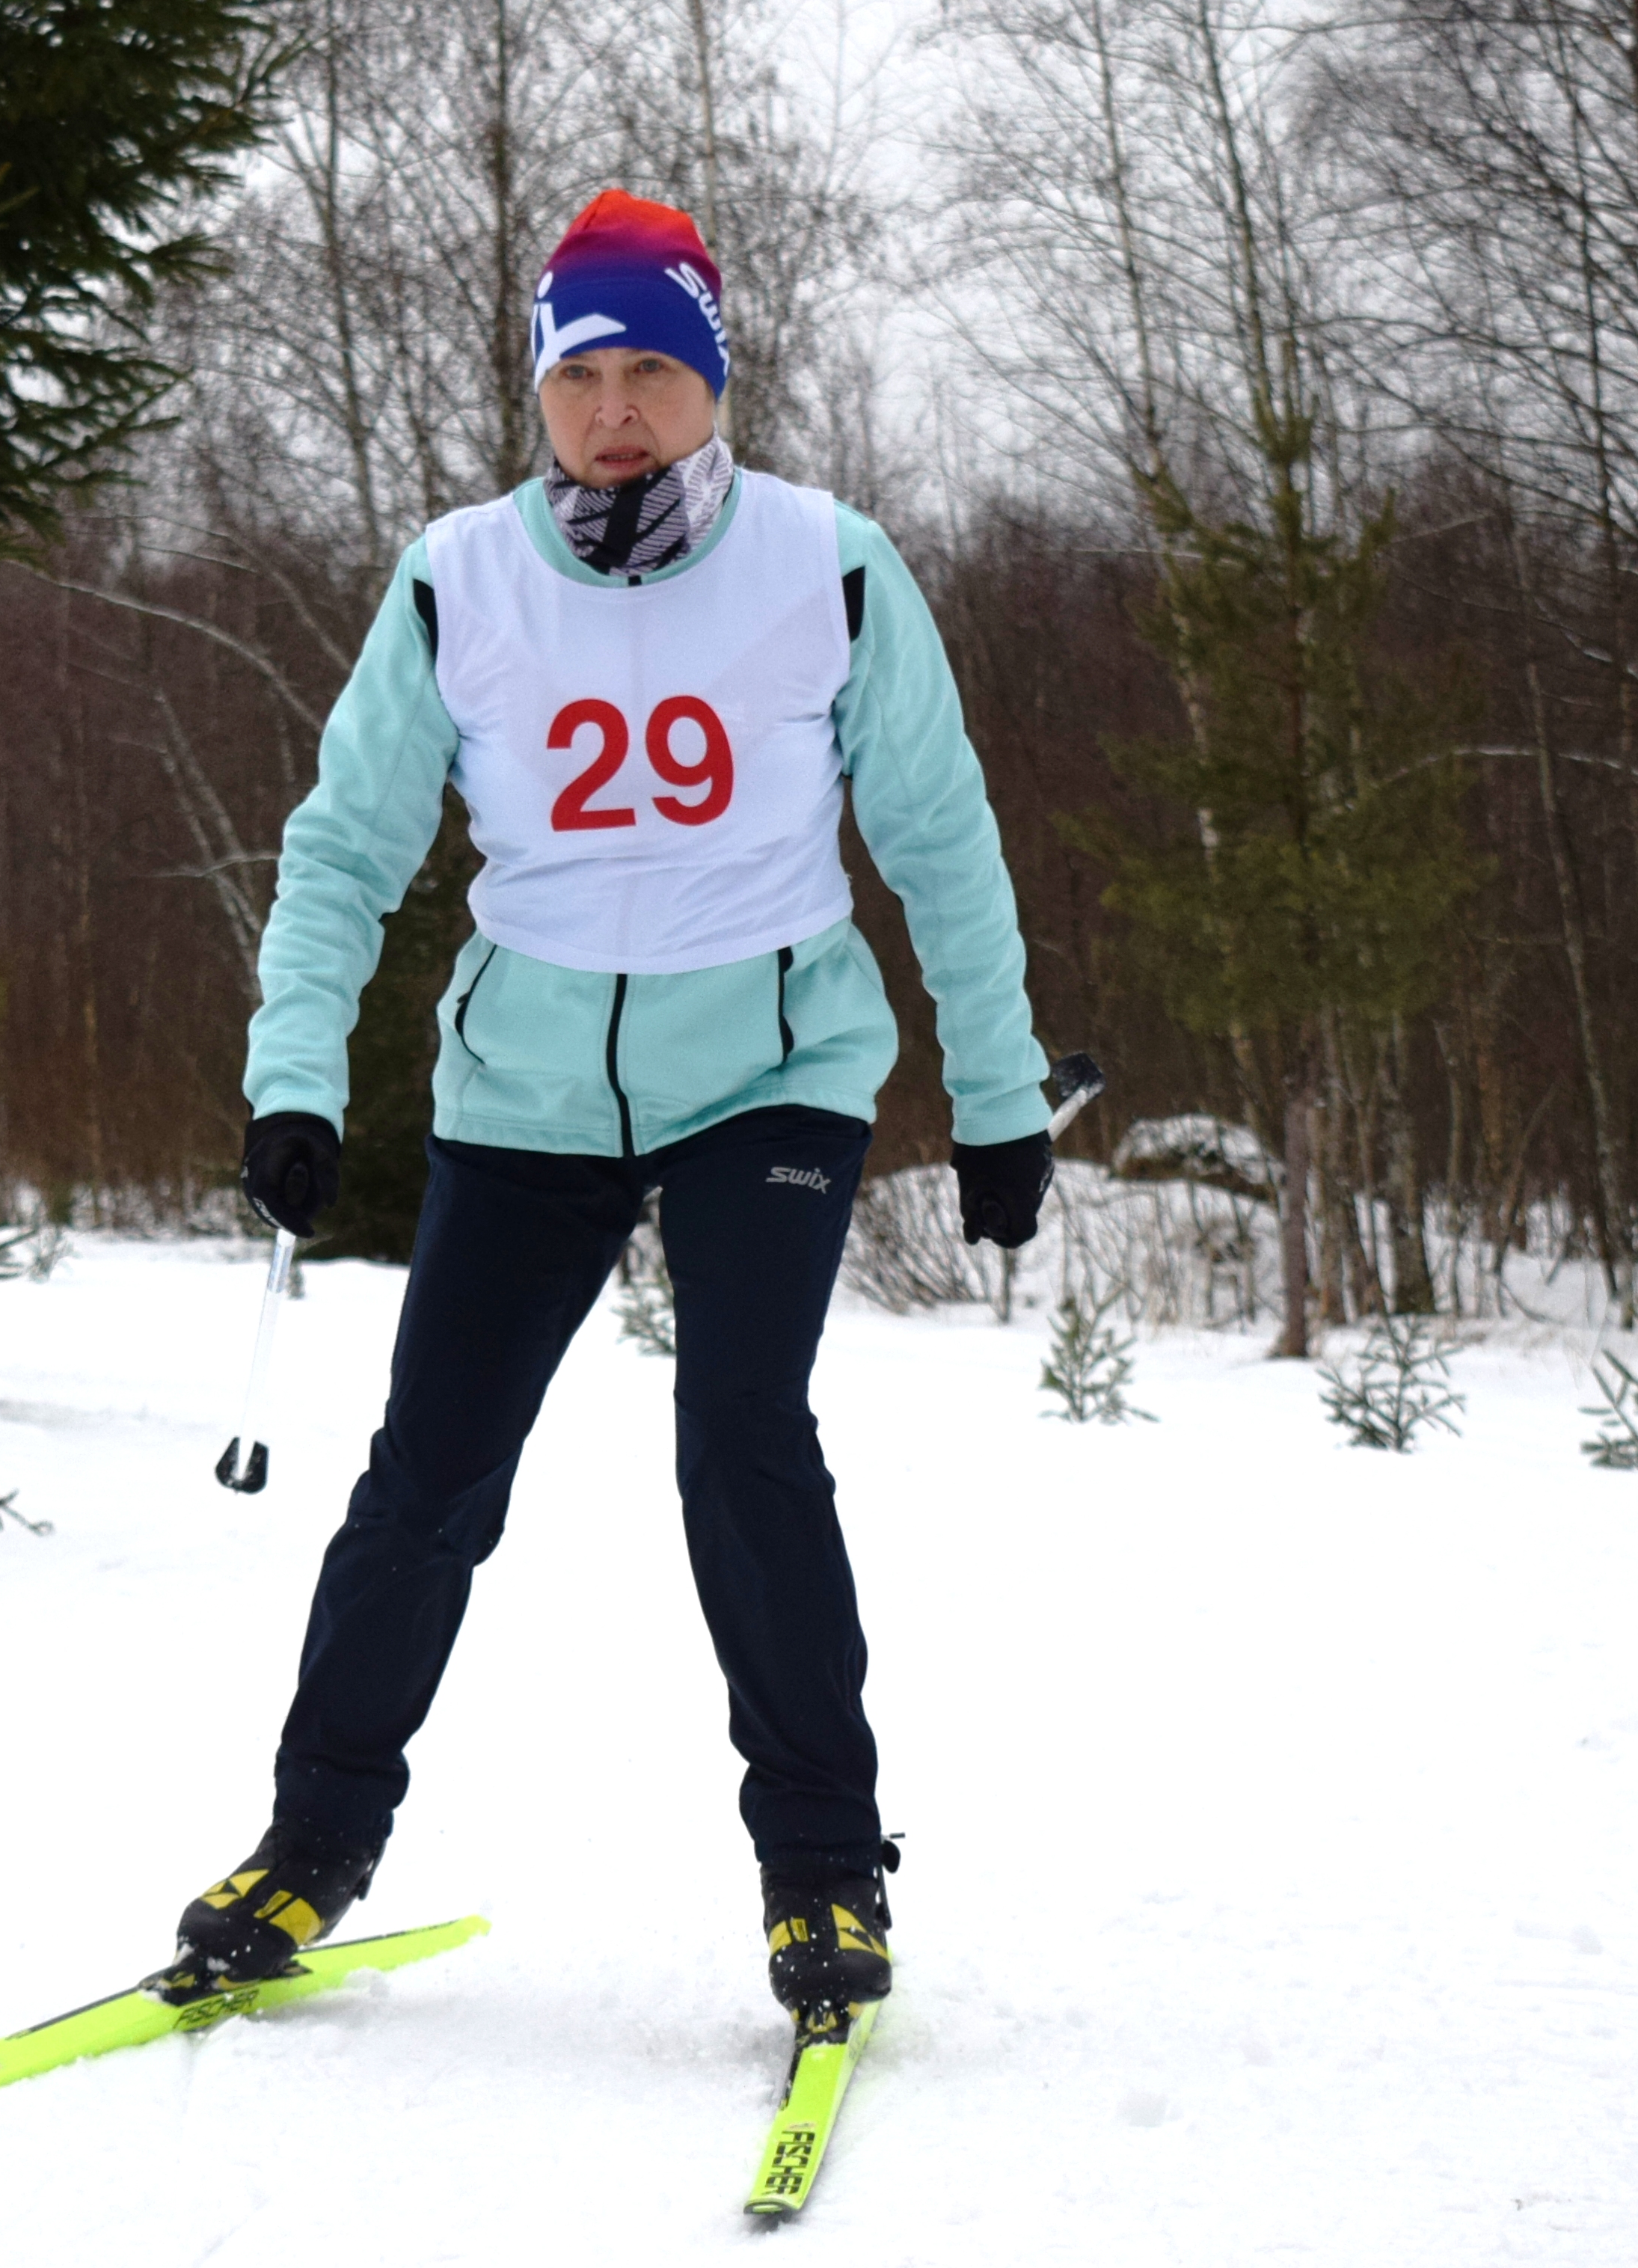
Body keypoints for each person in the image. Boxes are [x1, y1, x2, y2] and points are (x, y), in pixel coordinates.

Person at [174, 189, 1052, 2017]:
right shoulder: (458, 576)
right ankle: (309, 1847)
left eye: (656, 365)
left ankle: (825, 1871)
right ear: (543, 391)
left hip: (774, 1070)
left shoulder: (829, 563)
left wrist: (998, 1096)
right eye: (585, 371)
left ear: (712, 378)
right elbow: (342, 848)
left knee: (740, 1432)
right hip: (529, 1083)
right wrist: (293, 1076)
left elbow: (940, 841)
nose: (619, 407)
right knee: (429, 1472)